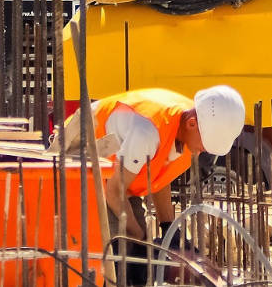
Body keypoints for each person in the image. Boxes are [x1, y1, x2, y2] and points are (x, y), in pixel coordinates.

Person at [68, 86, 245, 285]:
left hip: (117, 178)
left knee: (138, 262)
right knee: (120, 253)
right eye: (205, 144)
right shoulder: (147, 131)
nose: (204, 150)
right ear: (192, 124)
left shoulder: (188, 129)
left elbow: (159, 176)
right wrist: (140, 236)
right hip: (78, 164)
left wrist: (169, 227)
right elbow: (114, 190)